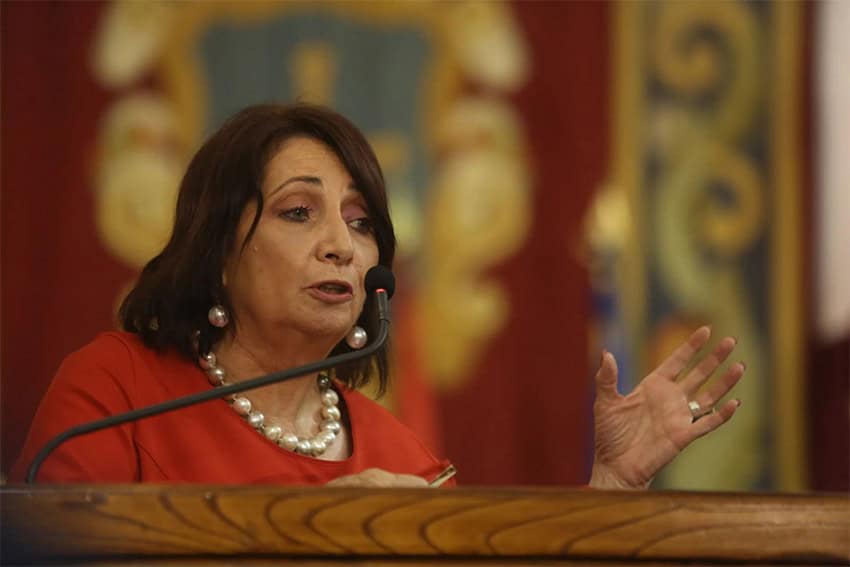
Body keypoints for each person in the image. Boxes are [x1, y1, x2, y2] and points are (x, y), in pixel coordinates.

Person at [10, 103, 744, 488]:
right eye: (299, 212)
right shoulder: (113, 391)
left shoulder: (405, 460)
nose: (342, 245)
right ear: (217, 249)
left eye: (362, 224)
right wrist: (314, 529)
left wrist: (610, 486)